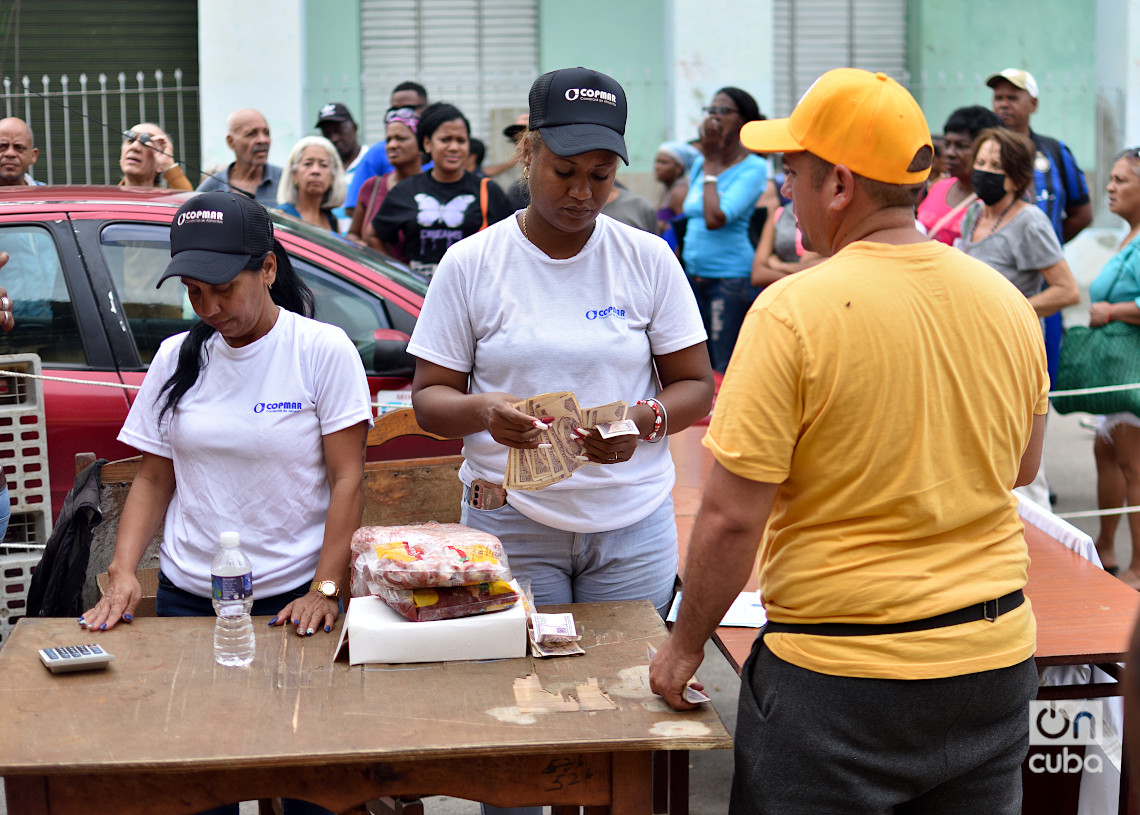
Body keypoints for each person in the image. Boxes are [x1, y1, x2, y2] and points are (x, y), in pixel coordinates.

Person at [649, 68, 1048, 814]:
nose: (783, 189)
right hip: (992, 664)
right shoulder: (1007, 304)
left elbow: (733, 515)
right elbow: (1020, 466)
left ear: (838, 184)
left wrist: (683, 644)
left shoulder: (793, 311)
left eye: (792, 171)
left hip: (841, 681)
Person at [77, 192, 369, 814]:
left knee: (306, 784)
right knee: (202, 784)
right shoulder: (177, 357)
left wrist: (324, 589)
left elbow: (348, 479)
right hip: (194, 600)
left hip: (293, 605)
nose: (209, 308)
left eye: (223, 289)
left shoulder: (320, 350)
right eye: (193, 291)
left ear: (267, 269)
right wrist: (123, 573)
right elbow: (155, 479)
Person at [408, 65, 713, 638]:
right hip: (512, 520)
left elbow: (696, 384)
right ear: (528, 155)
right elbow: (429, 400)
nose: (582, 192)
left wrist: (643, 420)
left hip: (632, 524)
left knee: (630, 678)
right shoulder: (472, 264)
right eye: (565, 171)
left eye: (601, 176)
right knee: (522, 690)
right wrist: (484, 412)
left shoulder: (647, 259)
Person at [988, 68, 1092, 388]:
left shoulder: (1054, 152)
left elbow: (1081, 212)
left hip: (1045, 289)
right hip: (995, 285)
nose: (1003, 104)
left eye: (1013, 97)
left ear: (1033, 104)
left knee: (1040, 375)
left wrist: (1044, 249)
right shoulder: (987, 152)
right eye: (998, 97)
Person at [681, 87, 767, 372]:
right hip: (695, 277)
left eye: (724, 111)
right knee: (696, 362)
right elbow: (689, 208)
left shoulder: (753, 168)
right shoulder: (700, 163)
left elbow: (714, 217)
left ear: (744, 121)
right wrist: (709, 164)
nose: (714, 117)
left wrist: (714, 165)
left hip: (729, 282)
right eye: (711, 110)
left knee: (722, 363)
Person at [371, 102, 510, 278]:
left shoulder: (488, 191)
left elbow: (509, 243)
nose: (454, 147)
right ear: (427, 144)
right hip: (419, 295)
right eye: (445, 140)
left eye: (461, 140)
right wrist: (399, 275)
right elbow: (374, 235)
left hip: (471, 293)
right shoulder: (406, 190)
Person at [958, 127, 1080, 319]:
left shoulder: (1030, 222)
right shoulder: (974, 214)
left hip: (1010, 339)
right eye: (980, 163)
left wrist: (1006, 313)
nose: (985, 171)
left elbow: (1067, 291)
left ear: (1017, 180)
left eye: (996, 166)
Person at [1088, 147, 1140, 585]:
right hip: (1118, 369)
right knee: (1107, 452)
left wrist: (1112, 310)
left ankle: (1139, 565)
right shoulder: (1130, 235)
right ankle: (1105, 546)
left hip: (1133, 369)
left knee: (1132, 465)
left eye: (1121, 180)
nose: (1109, 186)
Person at [916, 105, 1001, 245]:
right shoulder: (938, 187)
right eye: (948, 144)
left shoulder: (992, 202)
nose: (950, 153)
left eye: (961, 146)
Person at [344, 81, 429, 214]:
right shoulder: (377, 152)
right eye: (394, 109)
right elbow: (353, 207)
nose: (400, 114)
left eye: (408, 108)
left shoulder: (440, 152)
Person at [346, 108, 423, 253]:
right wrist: (358, 244)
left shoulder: (432, 187)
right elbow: (353, 234)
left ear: (422, 144)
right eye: (388, 140)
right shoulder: (372, 187)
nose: (392, 145)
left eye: (401, 139)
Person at [196, 109, 283, 207]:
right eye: (251, 134)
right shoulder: (212, 187)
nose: (263, 140)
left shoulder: (286, 180)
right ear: (231, 142)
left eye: (266, 133)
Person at [315, 102, 371, 231]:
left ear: (355, 127)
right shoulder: (323, 169)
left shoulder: (370, 163)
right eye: (327, 134)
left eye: (339, 131)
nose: (334, 138)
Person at [275, 136, 346, 233]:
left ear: (332, 177)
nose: (315, 171)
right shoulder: (281, 217)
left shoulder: (332, 220)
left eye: (323, 165)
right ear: (294, 174)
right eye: (308, 164)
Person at [750, 199, 822, 288]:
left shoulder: (826, 213)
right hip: (790, 292)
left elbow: (816, 266)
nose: (785, 189)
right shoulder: (779, 214)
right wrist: (799, 280)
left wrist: (780, 266)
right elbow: (758, 275)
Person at [118, 123, 193, 190]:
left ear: (159, 165)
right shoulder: (108, 199)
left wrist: (168, 165)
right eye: (130, 140)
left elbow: (190, 203)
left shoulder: (166, 202)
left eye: (146, 142)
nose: (134, 147)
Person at [653, 141, 695, 236]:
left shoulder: (680, 192)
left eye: (664, 163)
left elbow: (683, 228)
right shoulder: (666, 189)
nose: (657, 167)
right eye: (657, 162)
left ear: (679, 168)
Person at [0, 117, 42, 186]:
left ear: (33, 156)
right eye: (2, 147)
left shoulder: (47, 195)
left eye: (19, 148)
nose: (10, 153)